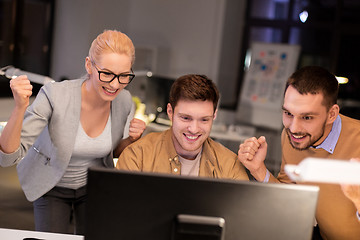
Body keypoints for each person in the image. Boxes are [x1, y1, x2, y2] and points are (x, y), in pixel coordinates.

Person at [0, 30, 146, 235]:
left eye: (124, 76)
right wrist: (19, 108)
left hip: (93, 187)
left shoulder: (124, 101)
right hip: (51, 185)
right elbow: (7, 157)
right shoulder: (55, 95)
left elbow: (113, 152)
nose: (115, 84)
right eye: (107, 74)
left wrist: (131, 139)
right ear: (89, 65)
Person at [238, 66, 360, 240]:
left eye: (307, 117)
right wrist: (258, 169)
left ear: (332, 114)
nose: (294, 128)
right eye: (288, 113)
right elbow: (288, 197)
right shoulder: (290, 138)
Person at [116, 74, 249, 180]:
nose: (194, 129)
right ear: (170, 112)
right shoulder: (138, 155)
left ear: (214, 116)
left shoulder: (230, 165)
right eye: (186, 118)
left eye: (204, 120)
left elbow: (245, 211)